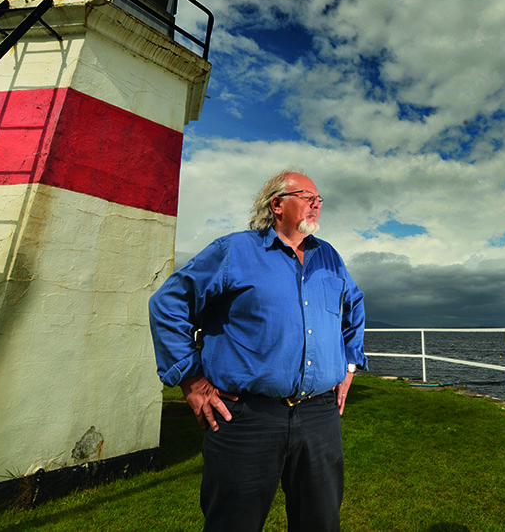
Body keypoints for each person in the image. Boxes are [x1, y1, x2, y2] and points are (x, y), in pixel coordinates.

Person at [149, 169, 367, 532]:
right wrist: (191, 379)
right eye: (306, 196)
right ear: (277, 204)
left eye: (319, 199)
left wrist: (348, 364)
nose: (316, 204)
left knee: (322, 523)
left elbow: (354, 305)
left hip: (319, 418)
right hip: (245, 419)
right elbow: (168, 304)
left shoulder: (328, 256)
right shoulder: (234, 251)